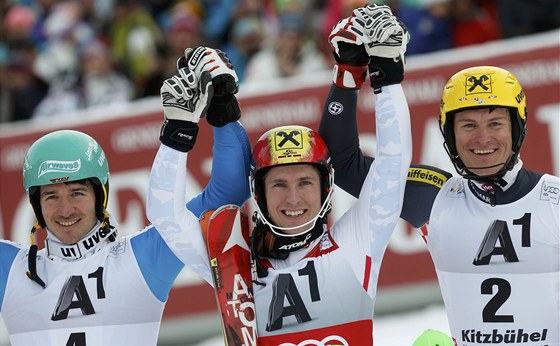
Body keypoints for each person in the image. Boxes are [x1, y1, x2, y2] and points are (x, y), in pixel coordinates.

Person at [147, 7, 412, 343]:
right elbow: (164, 217)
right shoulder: (233, 260)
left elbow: (393, 164)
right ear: (257, 192)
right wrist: (179, 130)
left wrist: (386, 75)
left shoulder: (357, 243)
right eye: (278, 184)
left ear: (327, 188)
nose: (293, 197)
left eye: (305, 182)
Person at [319, 6, 560, 345]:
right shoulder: (436, 197)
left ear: (517, 129)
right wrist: (349, 72)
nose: (482, 138)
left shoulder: (555, 199)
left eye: (495, 124)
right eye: (467, 126)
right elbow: (344, 165)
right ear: (449, 135)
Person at [0, 48, 250, 345]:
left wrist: (223, 106)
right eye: (51, 196)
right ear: (36, 205)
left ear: (100, 195)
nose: (65, 209)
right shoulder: (11, 268)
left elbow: (228, 194)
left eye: (77, 193)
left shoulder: (141, 257)